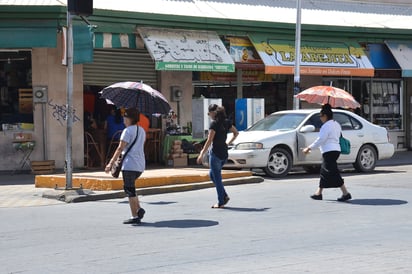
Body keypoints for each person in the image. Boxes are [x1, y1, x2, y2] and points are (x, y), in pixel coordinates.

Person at [302, 104, 352, 202]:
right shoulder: (336, 124)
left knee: (331, 172)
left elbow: (321, 140)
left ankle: (345, 193)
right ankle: (319, 193)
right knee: (326, 171)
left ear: (325, 115)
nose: (320, 118)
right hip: (335, 150)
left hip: (329, 151)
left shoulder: (326, 126)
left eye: (320, 116)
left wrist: (309, 148)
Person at [105, 108, 147, 224]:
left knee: (129, 190)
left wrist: (111, 163)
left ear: (130, 119)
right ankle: (138, 209)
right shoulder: (142, 130)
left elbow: (120, 148)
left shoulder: (127, 131)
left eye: (125, 117)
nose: (123, 119)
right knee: (131, 188)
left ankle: (135, 216)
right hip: (140, 165)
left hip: (129, 165)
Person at [197, 104, 239, 208]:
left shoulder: (214, 124)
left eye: (209, 113)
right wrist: (228, 143)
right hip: (224, 153)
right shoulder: (227, 122)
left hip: (215, 153)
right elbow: (236, 133)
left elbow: (209, 140)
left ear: (213, 113)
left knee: (217, 178)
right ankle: (224, 195)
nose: (209, 115)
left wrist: (202, 153)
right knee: (213, 175)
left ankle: (221, 202)